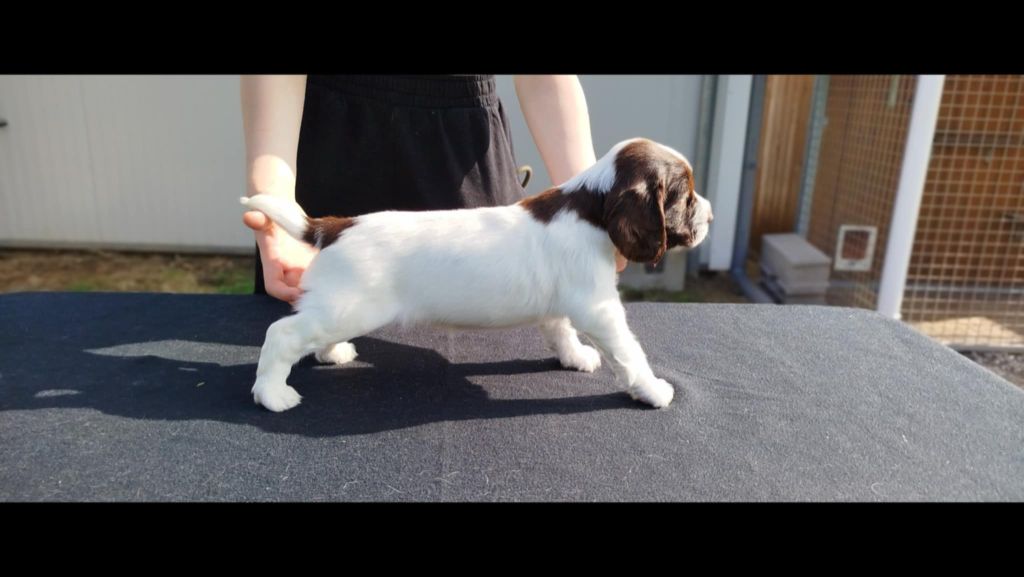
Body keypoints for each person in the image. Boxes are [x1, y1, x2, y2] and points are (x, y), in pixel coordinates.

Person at [241, 75, 598, 303]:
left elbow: (545, 80)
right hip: (332, 168)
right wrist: (274, 191)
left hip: (467, 179)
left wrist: (594, 206)